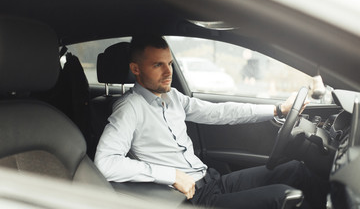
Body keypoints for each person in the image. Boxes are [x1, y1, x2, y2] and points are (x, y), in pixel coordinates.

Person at [94, 35, 328, 209]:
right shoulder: (129, 108)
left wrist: (278, 109)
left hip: (212, 180)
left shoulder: (172, 97)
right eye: (158, 65)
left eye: (170, 64)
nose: (168, 72)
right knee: (284, 197)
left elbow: (220, 113)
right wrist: (171, 176)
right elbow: (105, 163)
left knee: (297, 170)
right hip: (193, 198)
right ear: (135, 69)